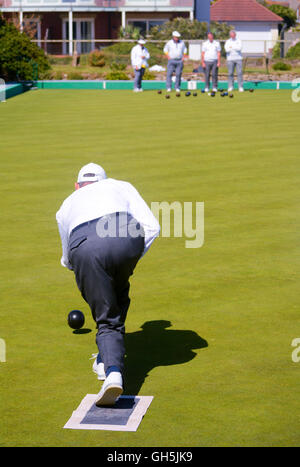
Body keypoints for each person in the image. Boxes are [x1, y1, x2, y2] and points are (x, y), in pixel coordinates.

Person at [56, 163, 160, 406]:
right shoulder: (121, 185)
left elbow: (67, 258)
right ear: (104, 180)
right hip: (127, 238)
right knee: (119, 293)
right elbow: (152, 227)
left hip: (86, 248)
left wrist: (88, 274)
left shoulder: (67, 204)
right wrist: (130, 257)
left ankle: (111, 372)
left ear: (77, 186)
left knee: (106, 316)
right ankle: (105, 355)